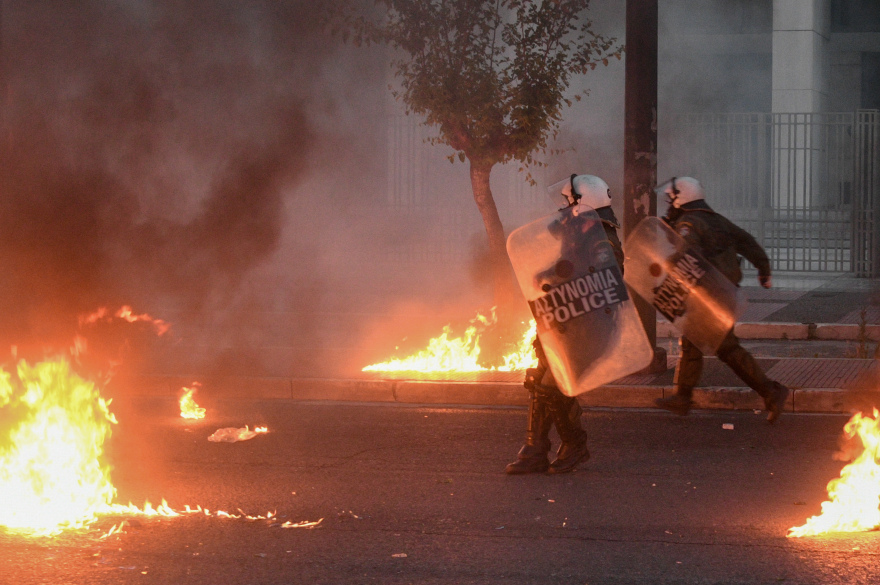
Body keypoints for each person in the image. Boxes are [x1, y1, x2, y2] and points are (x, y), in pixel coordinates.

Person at [506, 174, 624, 474]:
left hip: (590, 327)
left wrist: (559, 277)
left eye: (568, 200)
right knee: (539, 380)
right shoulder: (579, 232)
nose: (563, 206)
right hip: (565, 320)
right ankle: (535, 449)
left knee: (553, 385)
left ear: (583, 202)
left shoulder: (602, 237)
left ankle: (575, 444)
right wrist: (545, 274)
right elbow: (567, 264)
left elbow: (604, 275)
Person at [653, 177, 789, 423]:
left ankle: (771, 391)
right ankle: (683, 398)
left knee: (725, 348)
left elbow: (687, 253)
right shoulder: (718, 220)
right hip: (724, 292)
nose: (669, 205)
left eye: (671, 199)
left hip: (709, 295)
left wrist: (665, 264)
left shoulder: (689, 222)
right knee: (700, 342)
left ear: (680, 198)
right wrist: (763, 269)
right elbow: (747, 241)